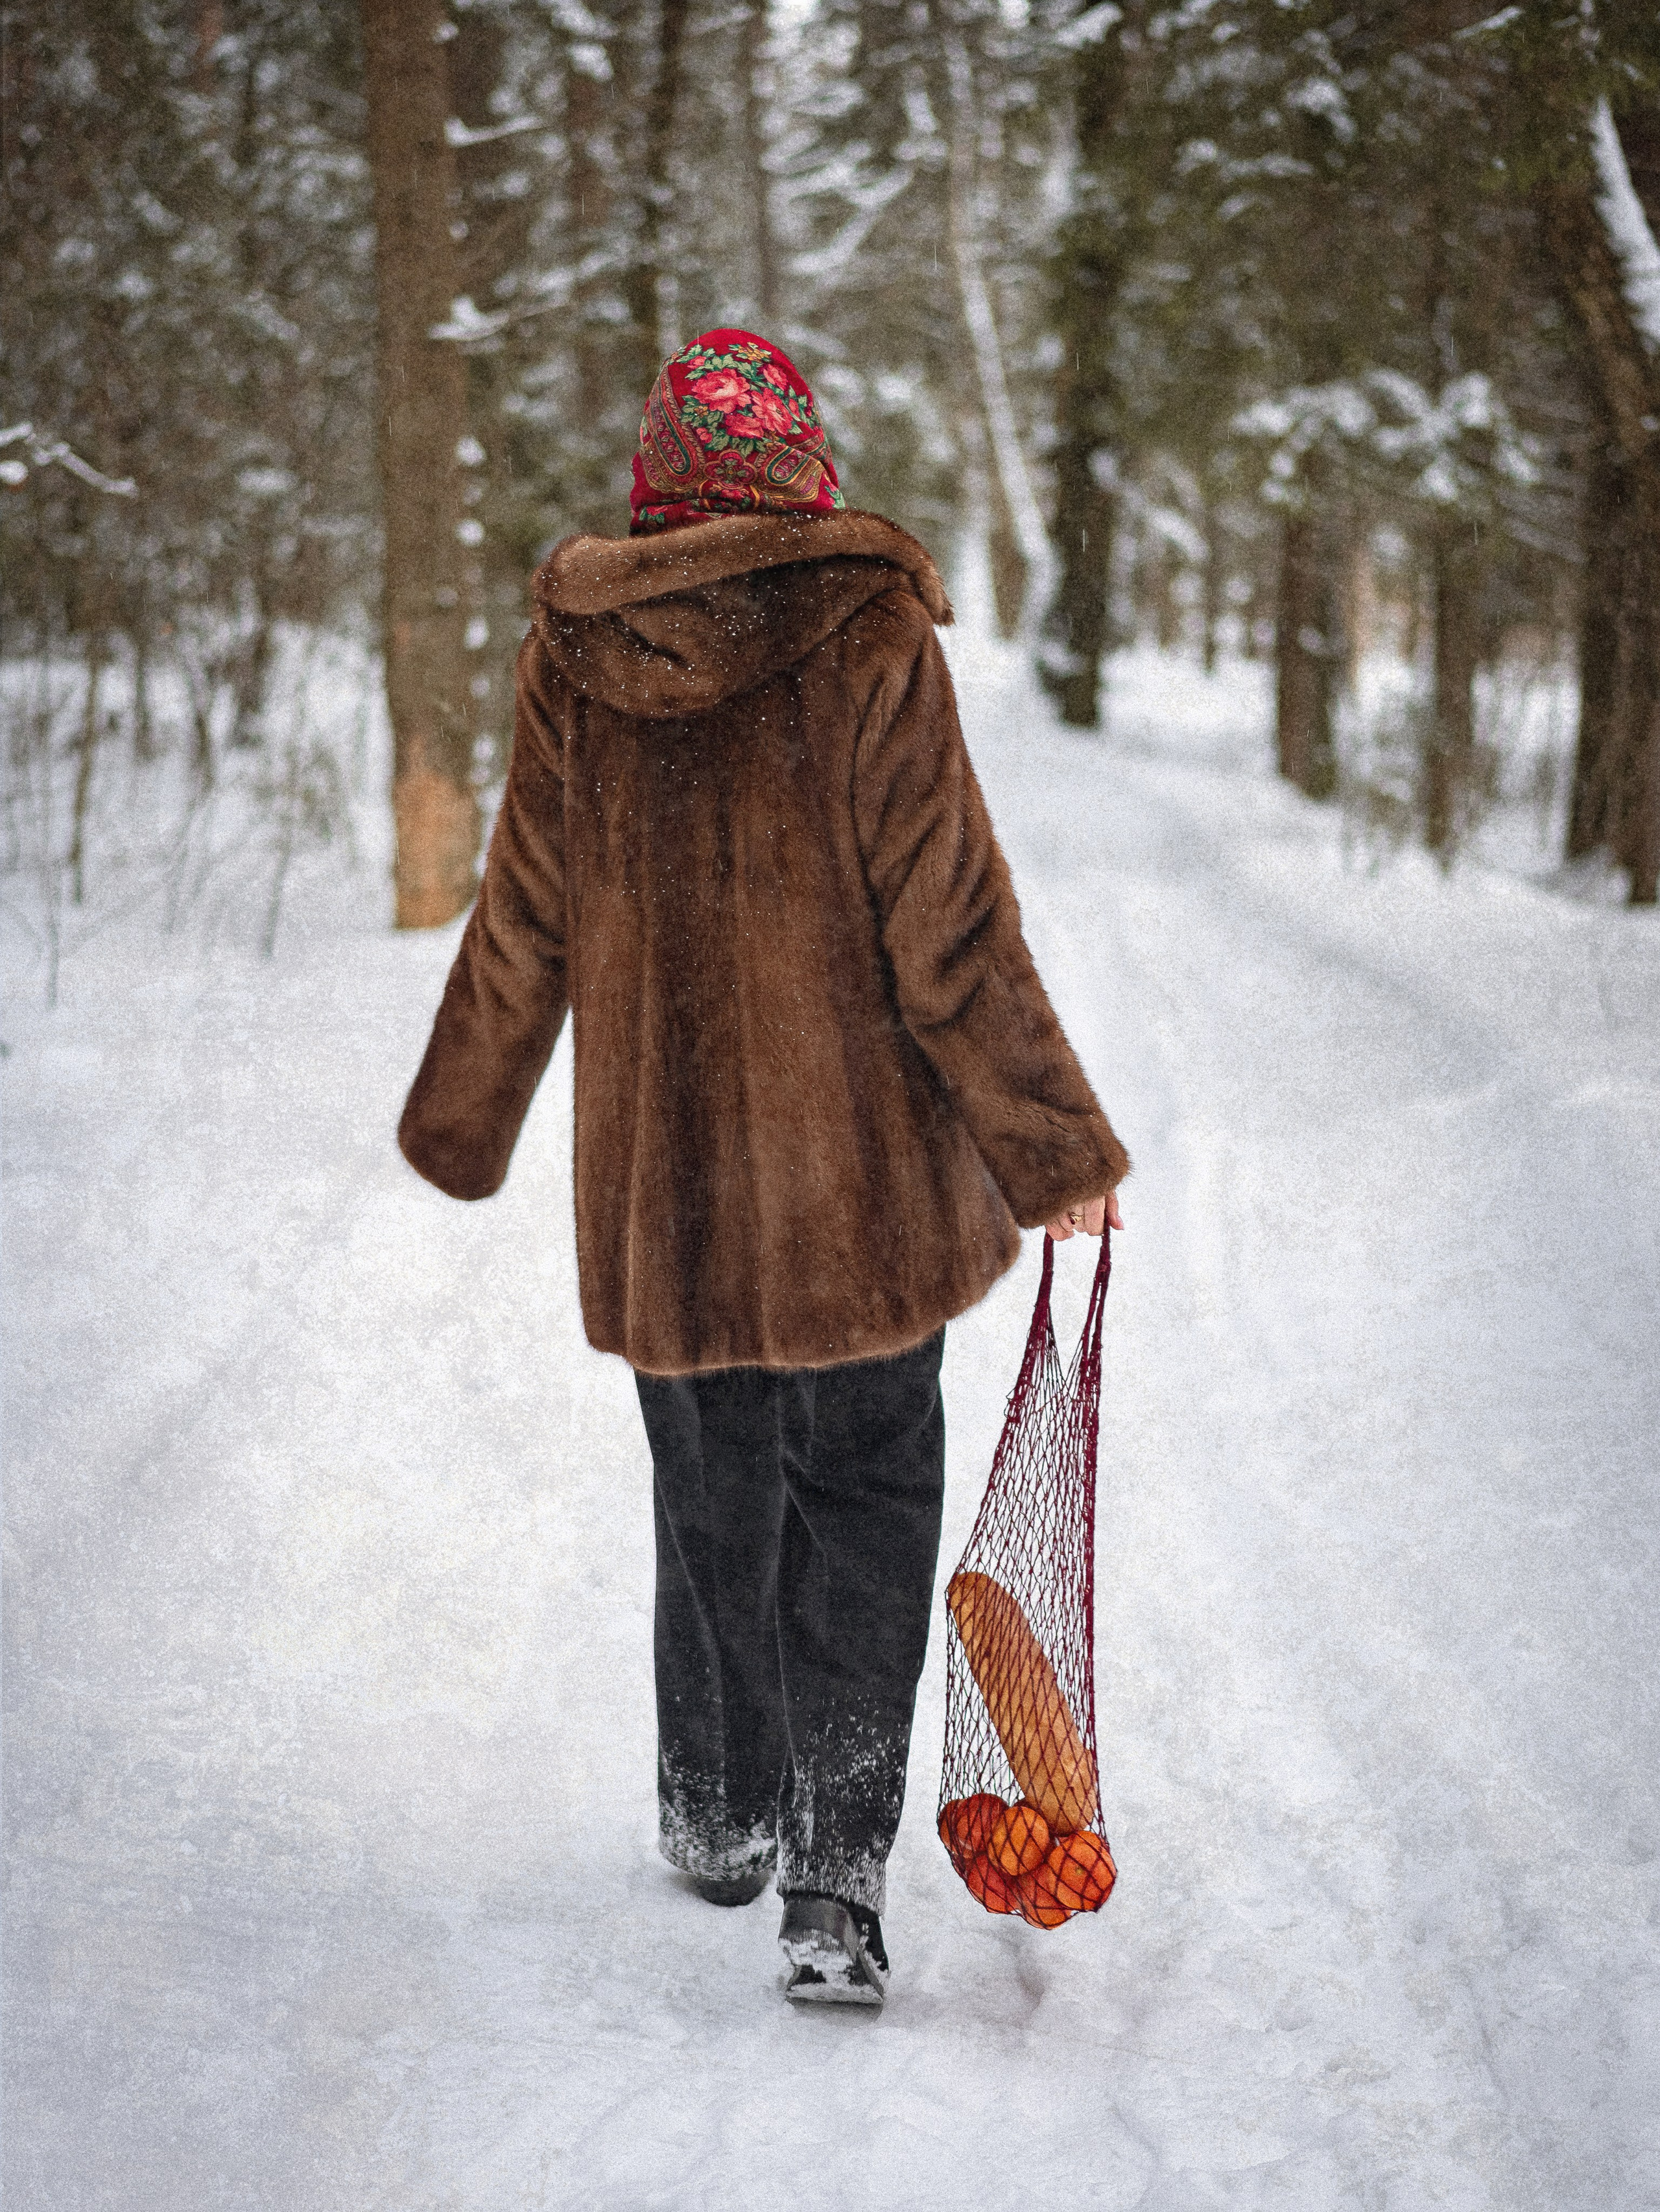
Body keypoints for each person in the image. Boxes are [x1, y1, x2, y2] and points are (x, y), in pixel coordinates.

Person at [397, 329, 1129, 2008]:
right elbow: (950, 921)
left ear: (662, 473)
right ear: (805, 465)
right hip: (861, 1188)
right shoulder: (868, 632)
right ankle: (833, 1880)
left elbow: (527, 910)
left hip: (672, 1190)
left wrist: (466, 1113)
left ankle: (716, 1806)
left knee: (713, 1480)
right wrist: (1048, 1146)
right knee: (864, 1490)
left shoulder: (581, 645)